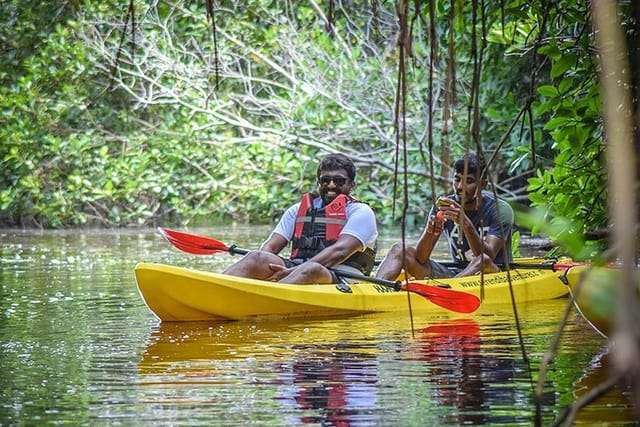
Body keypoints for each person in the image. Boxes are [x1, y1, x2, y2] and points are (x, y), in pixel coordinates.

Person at [224, 153, 378, 284]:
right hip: (296, 269)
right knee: (256, 257)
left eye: (339, 181)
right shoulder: (297, 210)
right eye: (325, 180)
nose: (331, 185)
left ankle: (270, 296)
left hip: (342, 276)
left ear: (352, 185)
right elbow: (270, 247)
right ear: (318, 183)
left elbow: (340, 251)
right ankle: (218, 286)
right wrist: (266, 267)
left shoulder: (361, 212)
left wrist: (294, 271)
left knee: (311, 269)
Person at [376, 153, 513, 280]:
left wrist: (465, 224)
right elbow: (421, 258)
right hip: (458, 273)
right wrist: (430, 232)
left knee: (482, 260)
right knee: (399, 249)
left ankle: (450, 290)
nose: (460, 186)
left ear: (482, 184)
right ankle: (375, 288)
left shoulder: (500, 209)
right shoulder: (444, 205)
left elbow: (488, 256)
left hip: (492, 275)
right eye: (457, 179)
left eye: (469, 181)